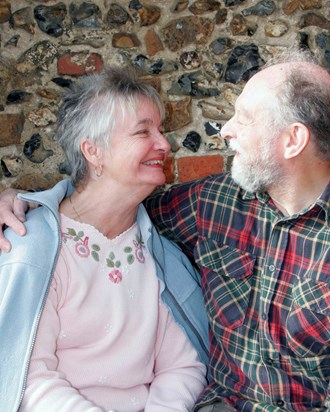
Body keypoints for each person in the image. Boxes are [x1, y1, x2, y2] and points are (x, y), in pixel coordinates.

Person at [0, 48, 330, 411]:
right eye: (144, 131)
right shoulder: (213, 204)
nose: (226, 130)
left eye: (244, 119)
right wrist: (23, 199)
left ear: (293, 140)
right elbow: (102, 207)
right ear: (93, 151)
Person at [0, 67, 209, 412]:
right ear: (93, 151)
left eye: (160, 130)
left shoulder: (161, 254)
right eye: (144, 132)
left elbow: (182, 365)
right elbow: (26, 377)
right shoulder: (31, 246)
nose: (164, 144)